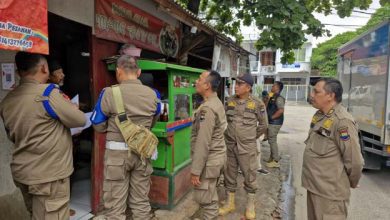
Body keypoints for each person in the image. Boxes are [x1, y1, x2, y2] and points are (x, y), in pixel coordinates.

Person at [0, 52, 86, 219]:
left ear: (18, 73)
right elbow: (80, 120)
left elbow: (12, 135)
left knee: (36, 214)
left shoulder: (7, 100)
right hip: (49, 176)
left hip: (23, 172)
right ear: (44, 68)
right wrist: (73, 109)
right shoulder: (48, 93)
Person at [91, 55, 159, 220]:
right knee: (141, 203)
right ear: (139, 72)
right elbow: (152, 123)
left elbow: (97, 124)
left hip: (116, 156)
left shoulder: (108, 93)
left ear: (118, 71)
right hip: (143, 152)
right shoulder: (154, 94)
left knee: (115, 208)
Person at [302, 78, 364, 220]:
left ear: (331, 96)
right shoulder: (320, 116)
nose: (312, 95)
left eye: (316, 92)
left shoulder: (342, 121)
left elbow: (354, 161)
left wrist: (352, 182)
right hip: (314, 188)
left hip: (330, 195)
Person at [219, 73, 268, 219]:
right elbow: (226, 120)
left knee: (249, 175)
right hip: (230, 144)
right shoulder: (230, 101)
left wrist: (251, 137)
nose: (236, 86)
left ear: (248, 87)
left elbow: (264, 125)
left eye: (239, 84)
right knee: (229, 173)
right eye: (236, 84)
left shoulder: (257, 103)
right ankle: (230, 203)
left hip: (246, 147)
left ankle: (250, 205)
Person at [191, 70, 226, 220]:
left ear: (207, 85)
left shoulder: (208, 109)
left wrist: (196, 171)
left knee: (206, 201)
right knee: (210, 195)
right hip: (216, 158)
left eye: (199, 79)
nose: (196, 82)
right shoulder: (215, 102)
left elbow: (203, 142)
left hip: (209, 161)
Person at [265, 81, 285, 168]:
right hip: (271, 122)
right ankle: (272, 157)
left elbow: (281, 110)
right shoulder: (272, 96)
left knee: (272, 140)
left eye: (273, 86)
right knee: (271, 140)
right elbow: (266, 106)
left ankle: (275, 160)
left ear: (277, 88)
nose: (271, 87)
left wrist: (272, 118)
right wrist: (268, 98)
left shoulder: (279, 98)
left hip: (275, 122)